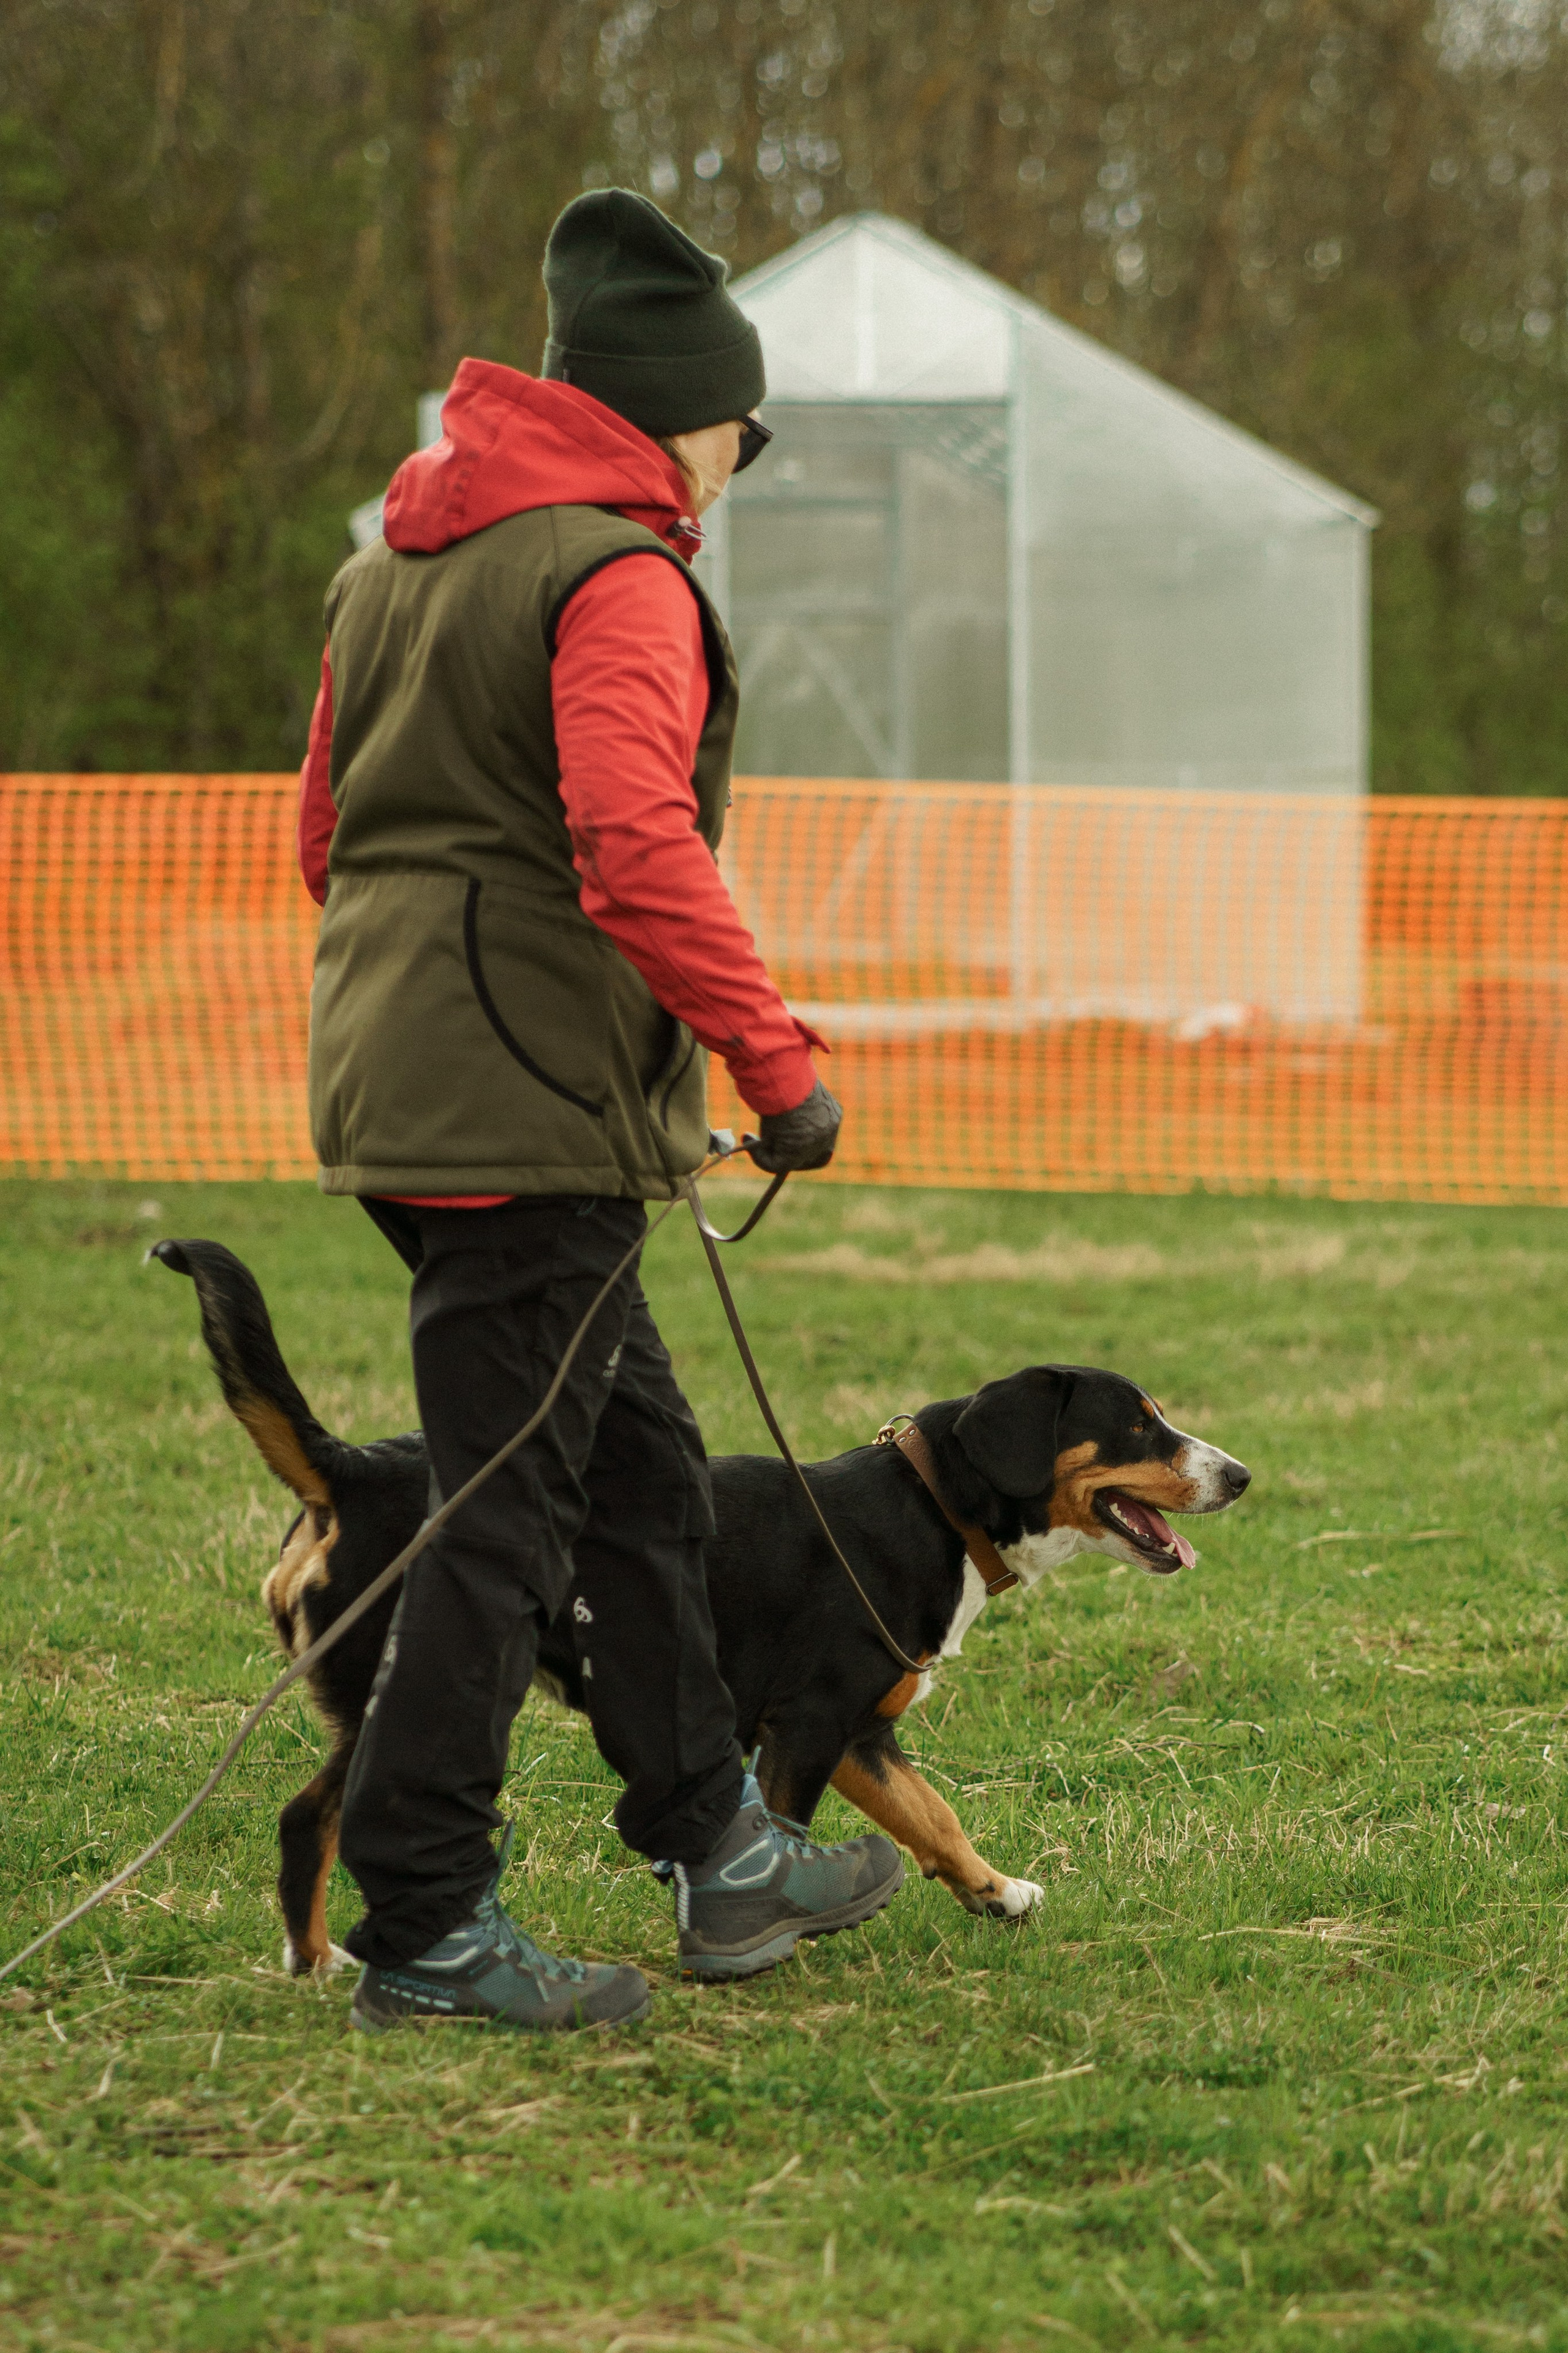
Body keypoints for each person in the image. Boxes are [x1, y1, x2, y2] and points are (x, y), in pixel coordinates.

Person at [295, 190, 903, 2034]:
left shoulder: (389, 563)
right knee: (502, 1520)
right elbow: (633, 844)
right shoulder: (616, 575)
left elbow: (328, 840)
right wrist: (773, 1062)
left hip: (415, 1081)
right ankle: (426, 1925)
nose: (740, 461)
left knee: (638, 1474)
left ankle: (720, 1844)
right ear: (669, 411)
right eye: (739, 425)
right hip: (526, 1109)